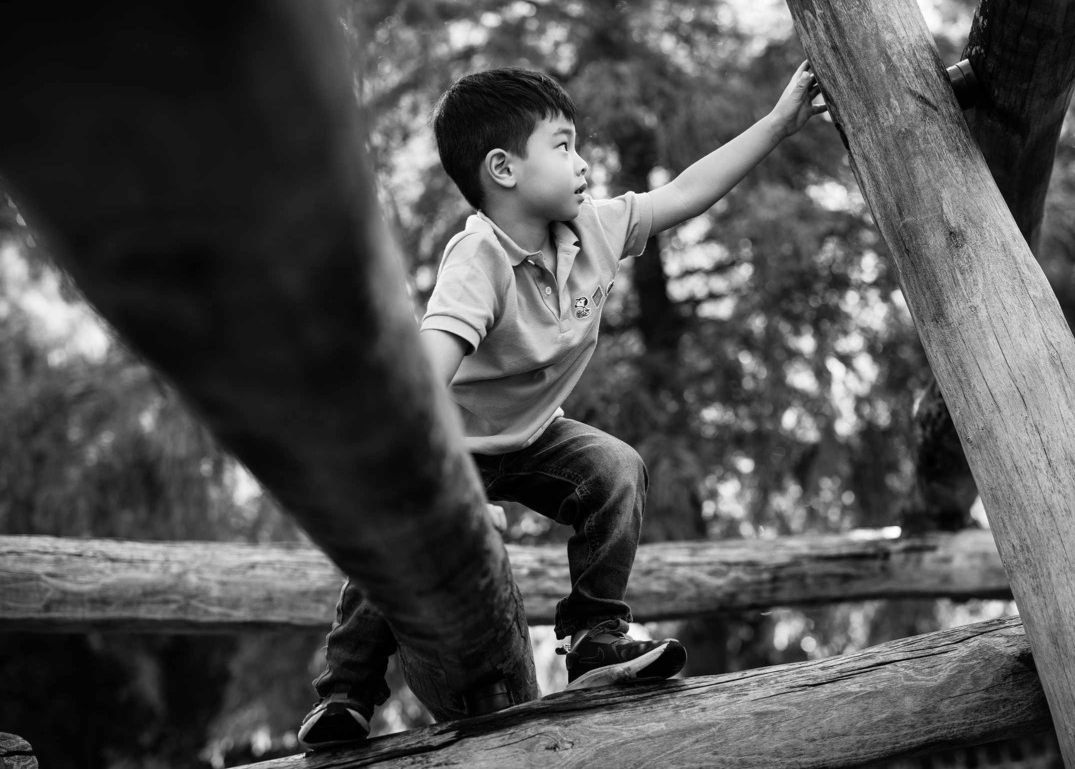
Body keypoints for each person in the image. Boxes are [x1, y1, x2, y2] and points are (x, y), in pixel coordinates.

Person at [298, 61, 826, 749]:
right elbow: (422, 383)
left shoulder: (596, 232)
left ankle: (593, 635)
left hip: (530, 438)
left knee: (614, 469)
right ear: (504, 169)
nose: (583, 163)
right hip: (442, 445)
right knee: (392, 530)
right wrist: (445, 491)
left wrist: (781, 121)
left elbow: (686, 191)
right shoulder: (478, 259)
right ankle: (347, 691)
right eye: (563, 144)